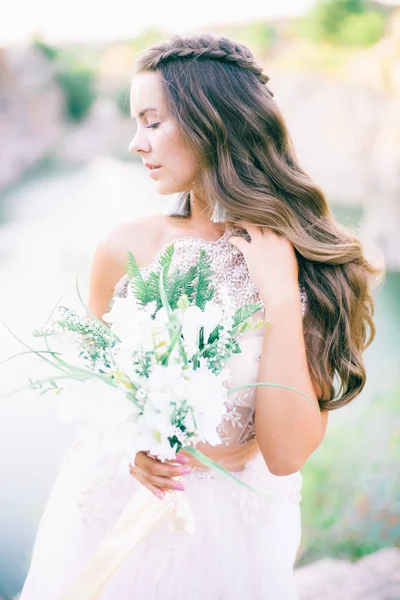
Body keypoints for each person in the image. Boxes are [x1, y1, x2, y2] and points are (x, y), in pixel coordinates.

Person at [20, 33, 378, 599]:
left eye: (153, 121)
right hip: (118, 507)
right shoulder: (125, 246)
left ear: (214, 122)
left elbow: (285, 454)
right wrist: (130, 448)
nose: (136, 143)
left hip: (236, 528)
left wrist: (280, 297)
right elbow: (96, 392)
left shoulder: (310, 261)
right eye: (135, 122)